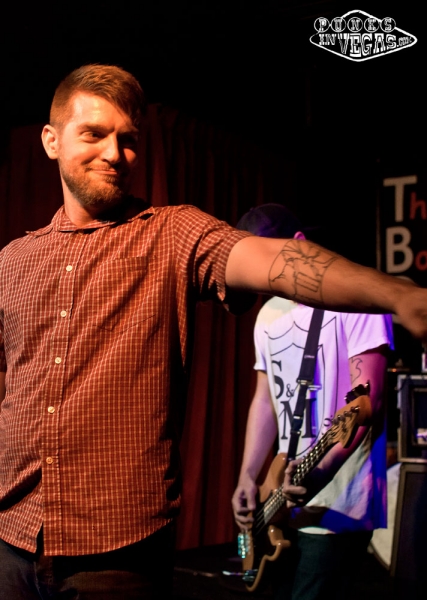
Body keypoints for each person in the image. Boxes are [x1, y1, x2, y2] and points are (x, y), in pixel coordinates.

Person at [0, 64, 426, 600]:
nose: (114, 153)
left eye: (128, 140)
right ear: (51, 140)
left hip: (116, 554)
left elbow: (275, 260)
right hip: (12, 541)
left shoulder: (171, 234)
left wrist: (400, 295)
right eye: (94, 134)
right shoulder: (12, 261)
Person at [231, 204, 393, 600]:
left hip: (339, 504)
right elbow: (265, 401)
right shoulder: (267, 314)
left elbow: (367, 403)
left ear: (299, 244)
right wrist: (248, 476)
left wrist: (321, 470)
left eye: (266, 258)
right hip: (280, 498)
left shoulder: (358, 298)